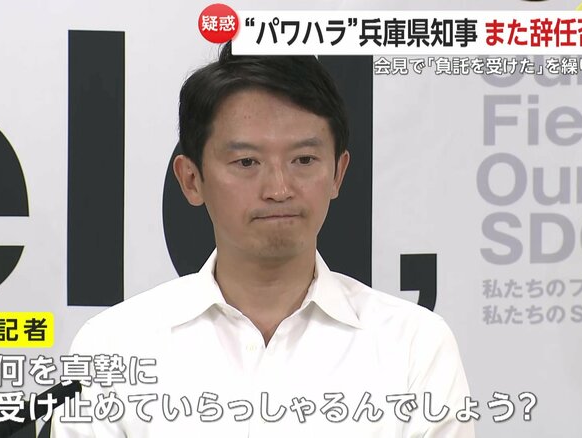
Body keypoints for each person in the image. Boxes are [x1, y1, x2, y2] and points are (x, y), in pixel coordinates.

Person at [52, 42, 474, 437]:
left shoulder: (414, 344)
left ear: (338, 173)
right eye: (246, 162)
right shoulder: (114, 345)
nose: (278, 188)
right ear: (191, 179)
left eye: (303, 159)